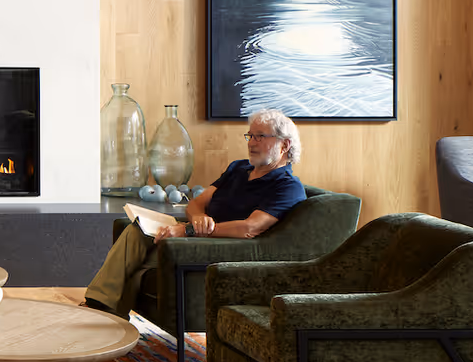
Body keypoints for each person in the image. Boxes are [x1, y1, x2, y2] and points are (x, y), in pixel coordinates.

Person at [85, 108, 307, 317]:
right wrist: (199, 218)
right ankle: (99, 306)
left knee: (145, 257)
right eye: (250, 136)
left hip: (223, 248)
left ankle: (102, 314)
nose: (251, 143)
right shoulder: (238, 169)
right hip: (199, 236)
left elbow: (249, 228)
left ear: (284, 144)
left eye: (260, 137)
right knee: (137, 230)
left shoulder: (287, 186)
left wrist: (189, 231)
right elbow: (196, 203)